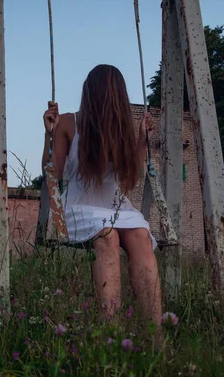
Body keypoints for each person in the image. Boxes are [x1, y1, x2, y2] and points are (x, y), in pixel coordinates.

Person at [41, 64, 163, 337]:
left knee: (142, 235)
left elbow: (128, 181)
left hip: (115, 206)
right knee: (107, 236)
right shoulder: (69, 123)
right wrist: (49, 134)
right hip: (77, 206)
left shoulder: (121, 130)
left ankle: (156, 337)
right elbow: (52, 174)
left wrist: (142, 141)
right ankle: (112, 334)